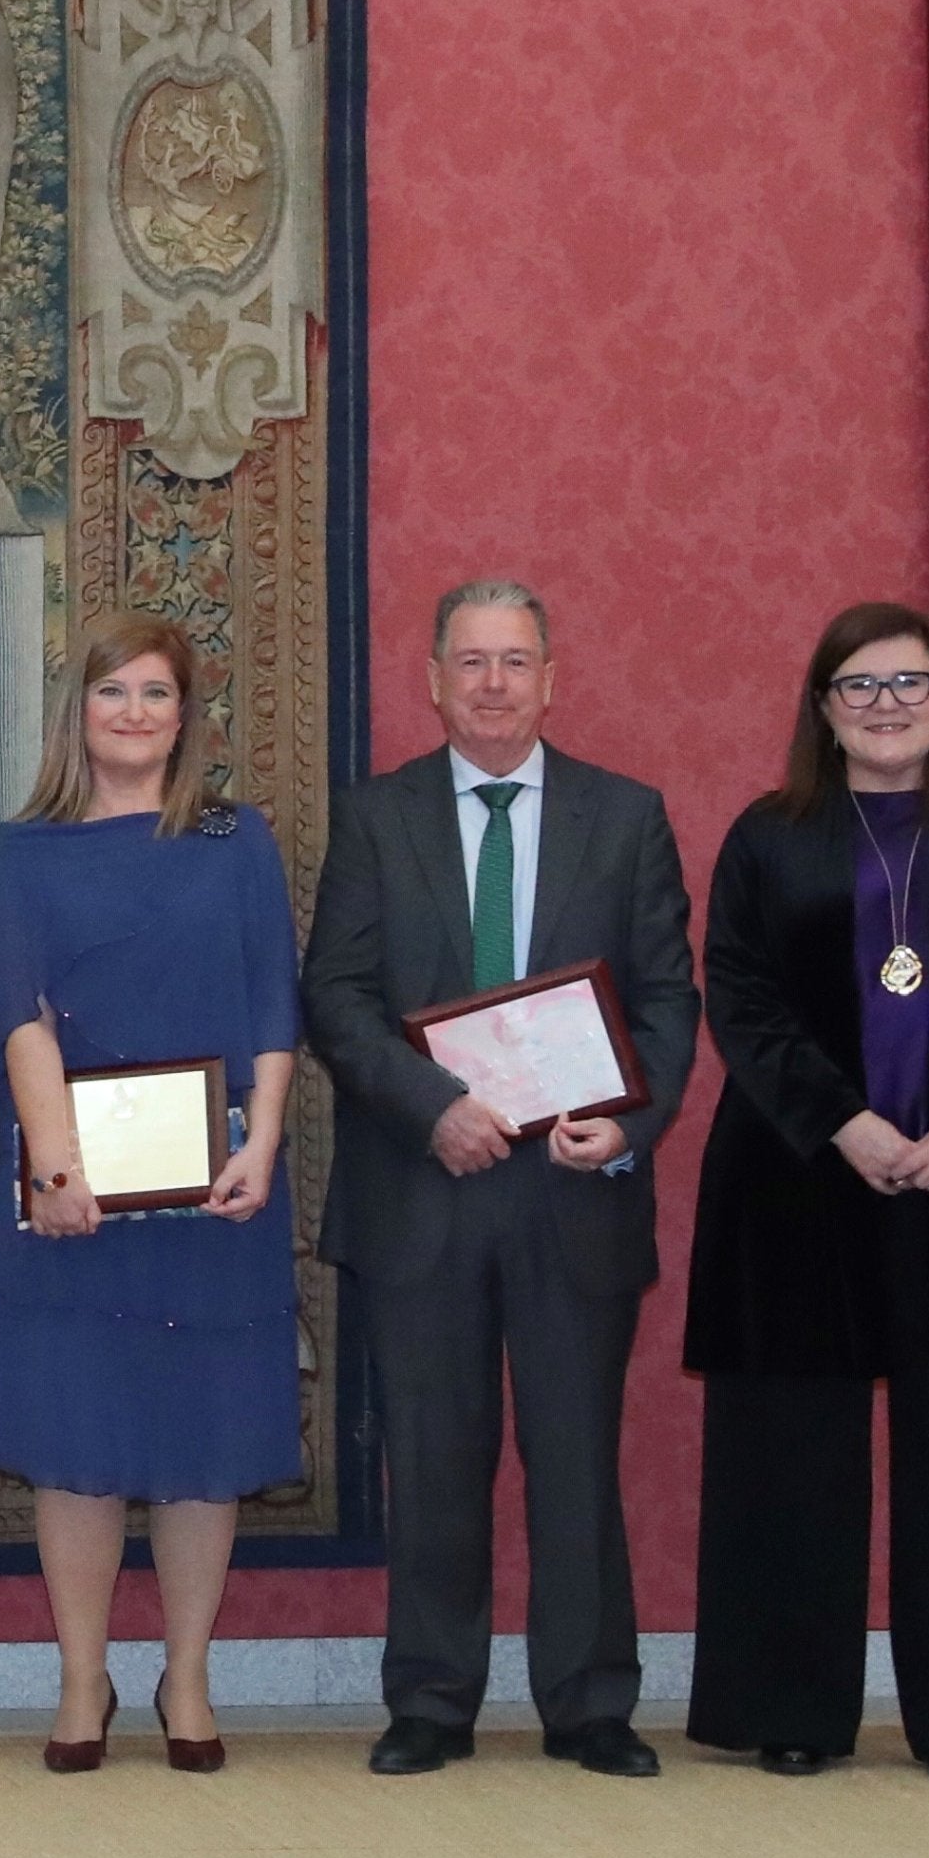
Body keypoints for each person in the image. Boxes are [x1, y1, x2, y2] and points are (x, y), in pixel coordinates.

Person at [304, 581, 698, 1779]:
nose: (490, 682)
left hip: (572, 1188)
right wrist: (435, 1110)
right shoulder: (375, 820)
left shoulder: (624, 818)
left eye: (512, 661)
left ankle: (589, 1703)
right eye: (468, 661)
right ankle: (430, 1698)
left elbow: (669, 1001)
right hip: (424, 1186)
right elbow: (336, 996)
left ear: (549, 677)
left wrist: (624, 1121)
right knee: (431, 1453)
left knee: (576, 1453)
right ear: (431, 677)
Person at [684, 602, 929, 1778]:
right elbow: (738, 993)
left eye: (908, 685)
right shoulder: (767, 836)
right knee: (791, 1450)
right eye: (860, 687)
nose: (886, 707)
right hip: (798, 1177)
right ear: (822, 708)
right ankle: (789, 1709)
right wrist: (845, 1121)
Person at [0, 610, 302, 1775]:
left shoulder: (233, 836)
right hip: (73, 1200)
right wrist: (56, 1166)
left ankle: (189, 1677)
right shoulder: (27, 845)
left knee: (202, 1435)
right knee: (76, 1434)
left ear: (184, 717)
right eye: (112, 692)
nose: (132, 713)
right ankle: (80, 1679)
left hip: (215, 1190)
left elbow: (274, 1002)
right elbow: (15, 1010)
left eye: (155, 694)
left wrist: (262, 1142)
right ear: (79, 710)